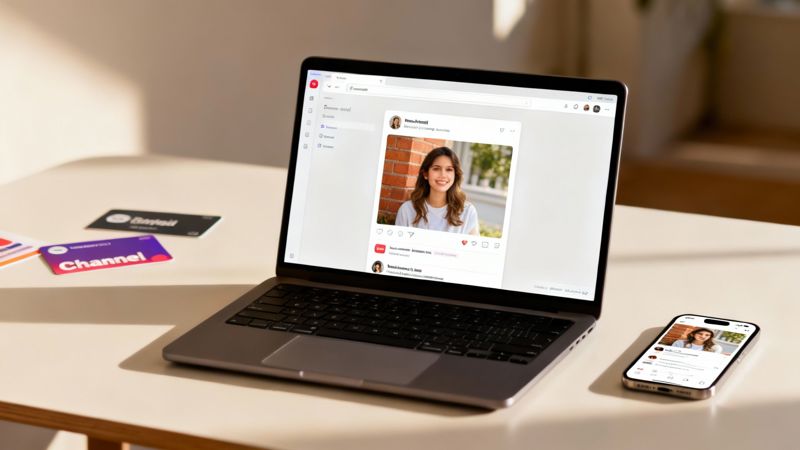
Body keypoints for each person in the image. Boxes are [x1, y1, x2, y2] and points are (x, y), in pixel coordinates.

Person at [395, 147, 479, 235]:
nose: (443, 175)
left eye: (449, 169)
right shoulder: (407, 210)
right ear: (425, 174)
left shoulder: (467, 211)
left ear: (455, 175)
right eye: (436, 168)